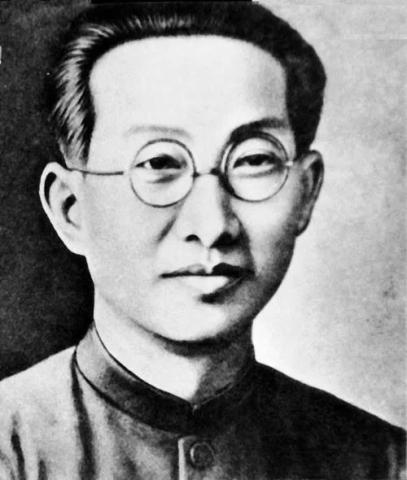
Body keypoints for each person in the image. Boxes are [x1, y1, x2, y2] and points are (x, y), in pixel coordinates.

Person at [0, 2, 404, 479]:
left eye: (253, 160)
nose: (213, 225)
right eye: (158, 164)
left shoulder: (383, 463)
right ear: (71, 208)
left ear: (306, 192)